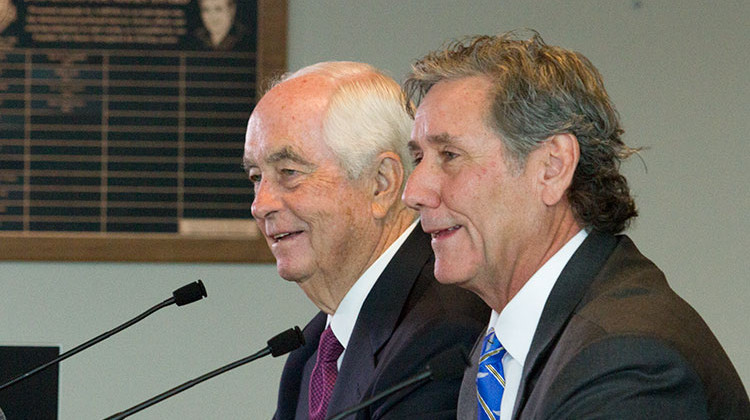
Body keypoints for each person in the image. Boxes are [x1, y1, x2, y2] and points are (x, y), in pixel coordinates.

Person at [402, 30, 749, 419]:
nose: (414, 192)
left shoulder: (627, 359)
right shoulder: (495, 351)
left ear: (552, 167)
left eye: (449, 155)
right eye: (419, 159)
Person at [243, 61, 489, 420]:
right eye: (255, 176)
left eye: (289, 173)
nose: (260, 205)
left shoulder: (443, 333)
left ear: (381, 184)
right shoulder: (310, 352)